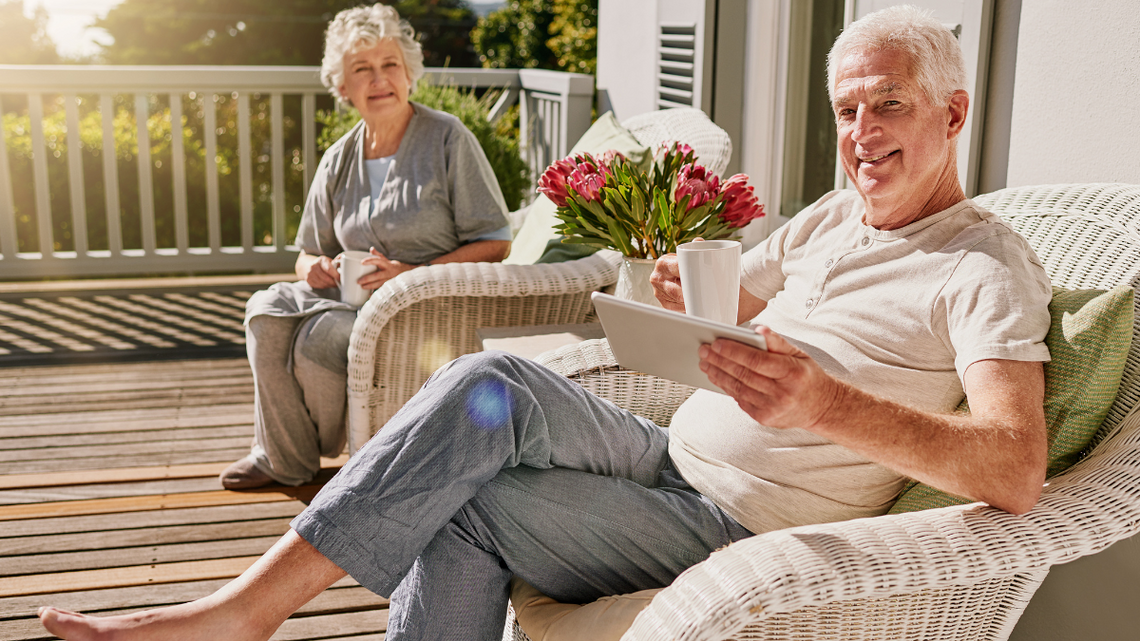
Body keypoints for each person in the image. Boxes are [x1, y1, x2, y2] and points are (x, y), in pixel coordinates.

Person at [38, 5, 1053, 640]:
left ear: (952, 114)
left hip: (739, 515)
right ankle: (239, 610)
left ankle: (240, 614)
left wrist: (826, 403)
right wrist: (681, 294)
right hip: (666, 448)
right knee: (486, 387)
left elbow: (1014, 466)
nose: (861, 134)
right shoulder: (835, 214)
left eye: (888, 106)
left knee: (460, 501)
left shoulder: (983, 265)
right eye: (846, 111)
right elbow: (739, 303)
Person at [221, 4, 512, 490]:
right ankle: (283, 457)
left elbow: (495, 242)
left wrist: (410, 272)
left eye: (389, 64)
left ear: (409, 73)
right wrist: (315, 268)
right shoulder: (339, 157)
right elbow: (306, 253)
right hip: (350, 298)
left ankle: (312, 453)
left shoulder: (447, 139)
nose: (379, 79)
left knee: (319, 338)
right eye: (362, 69)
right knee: (265, 313)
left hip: (423, 304)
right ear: (343, 87)